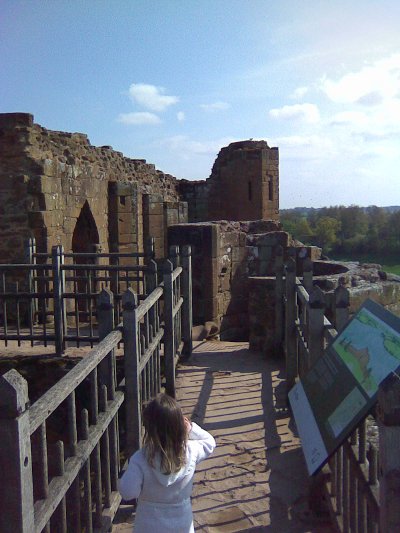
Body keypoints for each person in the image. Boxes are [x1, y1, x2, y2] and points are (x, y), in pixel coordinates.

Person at [118, 393, 216, 532]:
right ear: (180, 426)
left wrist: (120, 482)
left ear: (149, 429)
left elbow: (128, 492)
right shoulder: (190, 451)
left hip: (148, 525)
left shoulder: (140, 459)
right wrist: (191, 429)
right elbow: (210, 443)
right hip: (182, 523)